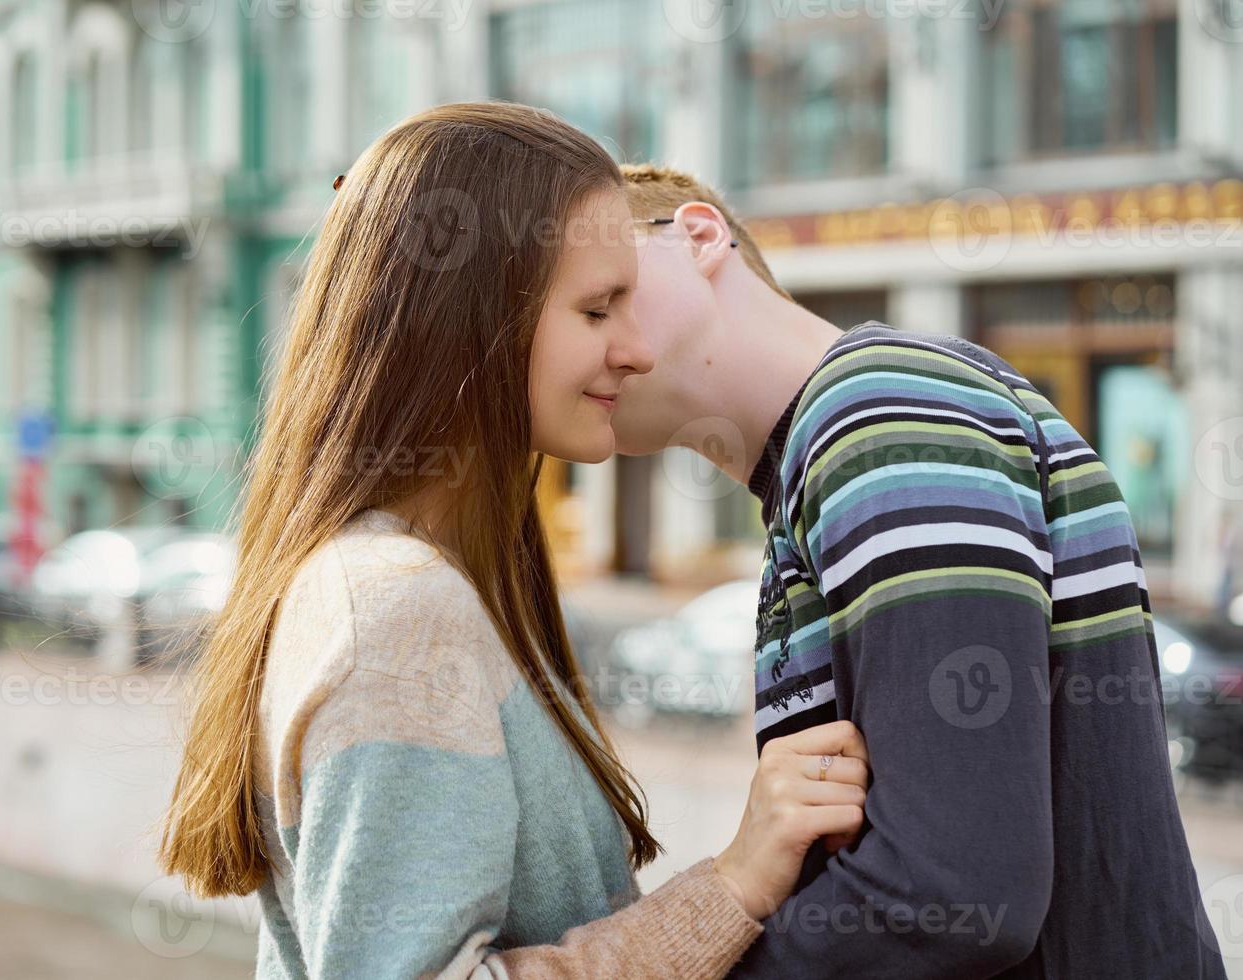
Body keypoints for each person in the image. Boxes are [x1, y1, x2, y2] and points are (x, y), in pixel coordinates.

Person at [157, 103, 872, 979]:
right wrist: (731, 886)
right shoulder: (397, 608)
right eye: (599, 308)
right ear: (473, 314)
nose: (638, 349)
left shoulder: (418, 583)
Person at [611, 162, 1227, 978]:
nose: (585, 340)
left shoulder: (877, 415)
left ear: (697, 236)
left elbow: (952, 890)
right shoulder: (844, 437)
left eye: (604, 293)